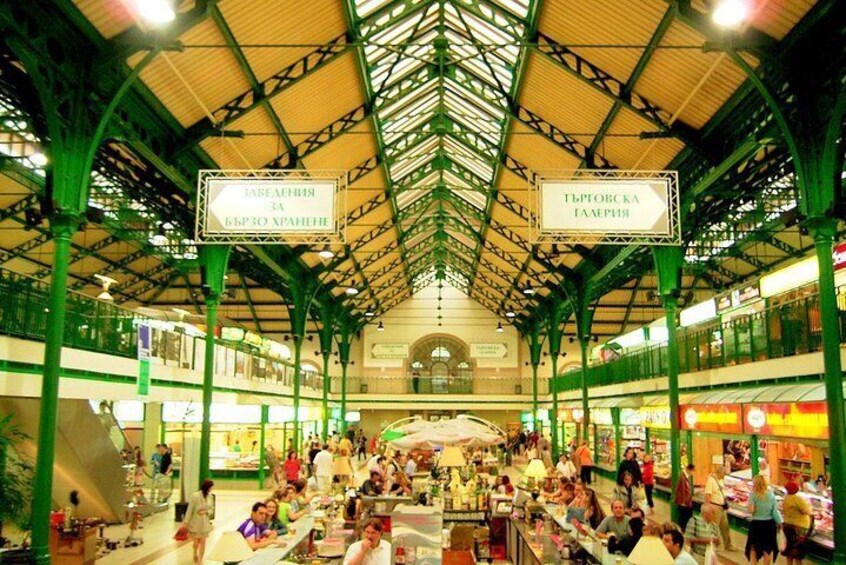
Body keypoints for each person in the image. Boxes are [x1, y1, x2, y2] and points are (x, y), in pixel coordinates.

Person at [746, 474, 782, 565]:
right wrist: (780, 522)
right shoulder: (770, 495)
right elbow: (774, 511)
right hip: (769, 525)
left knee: (754, 549)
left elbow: (751, 510)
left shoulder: (753, 495)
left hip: (756, 525)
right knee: (767, 550)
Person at [182, 479, 214, 565]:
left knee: (203, 541)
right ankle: (194, 552)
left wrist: (206, 512)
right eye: (211, 487)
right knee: (196, 542)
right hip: (195, 522)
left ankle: (200, 561)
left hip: (205, 523)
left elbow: (211, 509)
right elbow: (190, 509)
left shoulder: (210, 497)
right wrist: (186, 521)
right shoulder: (195, 496)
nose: (211, 489)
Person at [703, 465, 734, 551]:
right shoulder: (711, 481)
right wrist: (708, 507)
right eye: (724, 473)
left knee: (725, 527)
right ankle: (713, 546)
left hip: (722, 507)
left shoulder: (721, 480)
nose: (724, 475)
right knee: (714, 528)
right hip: (715, 507)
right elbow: (707, 495)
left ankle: (728, 545)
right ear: (719, 472)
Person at [782, 481, 812, 565]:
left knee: (789, 550)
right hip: (798, 528)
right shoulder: (798, 499)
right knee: (798, 552)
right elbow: (807, 511)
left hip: (787, 526)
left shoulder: (786, 498)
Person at [675, 464, 695, 530]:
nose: (693, 473)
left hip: (686, 502)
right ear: (689, 470)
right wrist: (683, 501)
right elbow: (681, 489)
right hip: (684, 503)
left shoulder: (684, 476)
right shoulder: (682, 477)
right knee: (684, 518)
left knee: (686, 517)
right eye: (692, 471)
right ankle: (683, 530)